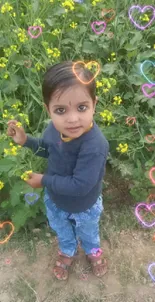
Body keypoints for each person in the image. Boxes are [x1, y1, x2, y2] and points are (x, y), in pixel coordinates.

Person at [6, 61, 109, 280]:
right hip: (56, 200)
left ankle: (93, 251)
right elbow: (48, 150)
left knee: (88, 231)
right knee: (62, 229)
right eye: (60, 110)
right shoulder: (54, 128)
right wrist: (26, 141)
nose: (72, 119)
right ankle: (68, 250)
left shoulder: (95, 145)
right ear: (48, 109)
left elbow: (80, 186)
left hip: (85, 205)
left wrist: (43, 180)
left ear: (94, 104)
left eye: (82, 107)